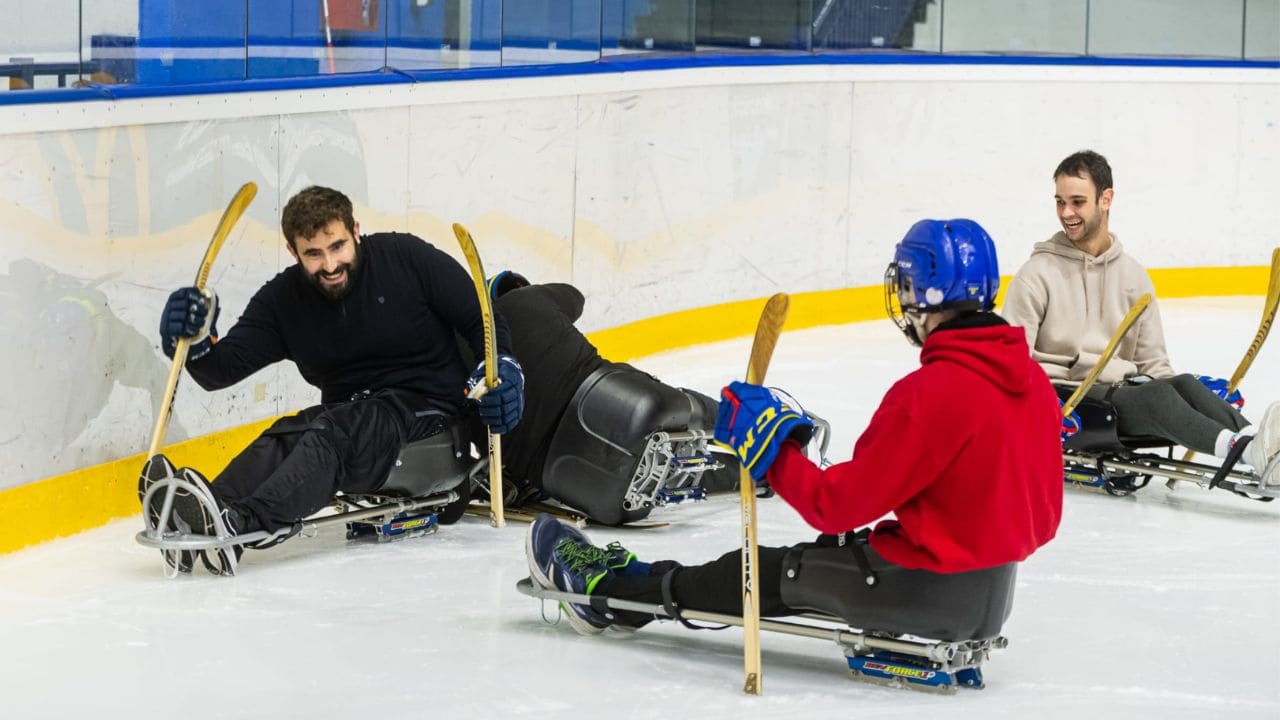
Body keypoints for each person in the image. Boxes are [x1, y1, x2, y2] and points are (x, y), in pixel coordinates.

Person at [525, 218, 1064, 636]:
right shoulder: (1034, 383)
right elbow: (1040, 519)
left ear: (924, 293)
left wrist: (771, 454)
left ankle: (611, 597)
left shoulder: (934, 392)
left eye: (905, 284)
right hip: (987, 596)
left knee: (755, 571)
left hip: (917, 591)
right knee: (826, 551)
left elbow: (836, 505)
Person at [140, 185, 524, 572]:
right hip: (352, 422)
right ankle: (205, 510)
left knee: (337, 431)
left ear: (355, 231)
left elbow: (481, 319)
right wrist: (195, 342)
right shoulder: (283, 302)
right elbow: (219, 371)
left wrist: (503, 368)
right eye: (313, 253)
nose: (329, 265)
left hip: (431, 418)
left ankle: (242, 525)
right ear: (293, 251)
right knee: (287, 434)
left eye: (338, 246)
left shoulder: (405, 257)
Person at [1001, 149, 1279, 486]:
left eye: (1077, 202)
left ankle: (1263, 447)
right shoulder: (1035, 275)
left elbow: (1153, 363)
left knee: (1183, 385)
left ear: (1106, 199)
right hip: (1068, 400)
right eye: (1060, 202)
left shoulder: (1133, 276)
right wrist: (1038, 407)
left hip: (1122, 393)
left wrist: (1198, 400)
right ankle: (1247, 452)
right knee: (1156, 396)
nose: (1066, 213)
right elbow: (1010, 365)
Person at [476, 272, 738, 525]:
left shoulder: (465, 370)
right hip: (628, 403)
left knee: (684, 474)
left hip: (587, 484)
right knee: (689, 409)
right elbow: (575, 298)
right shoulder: (529, 299)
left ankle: (743, 474)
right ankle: (747, 426)